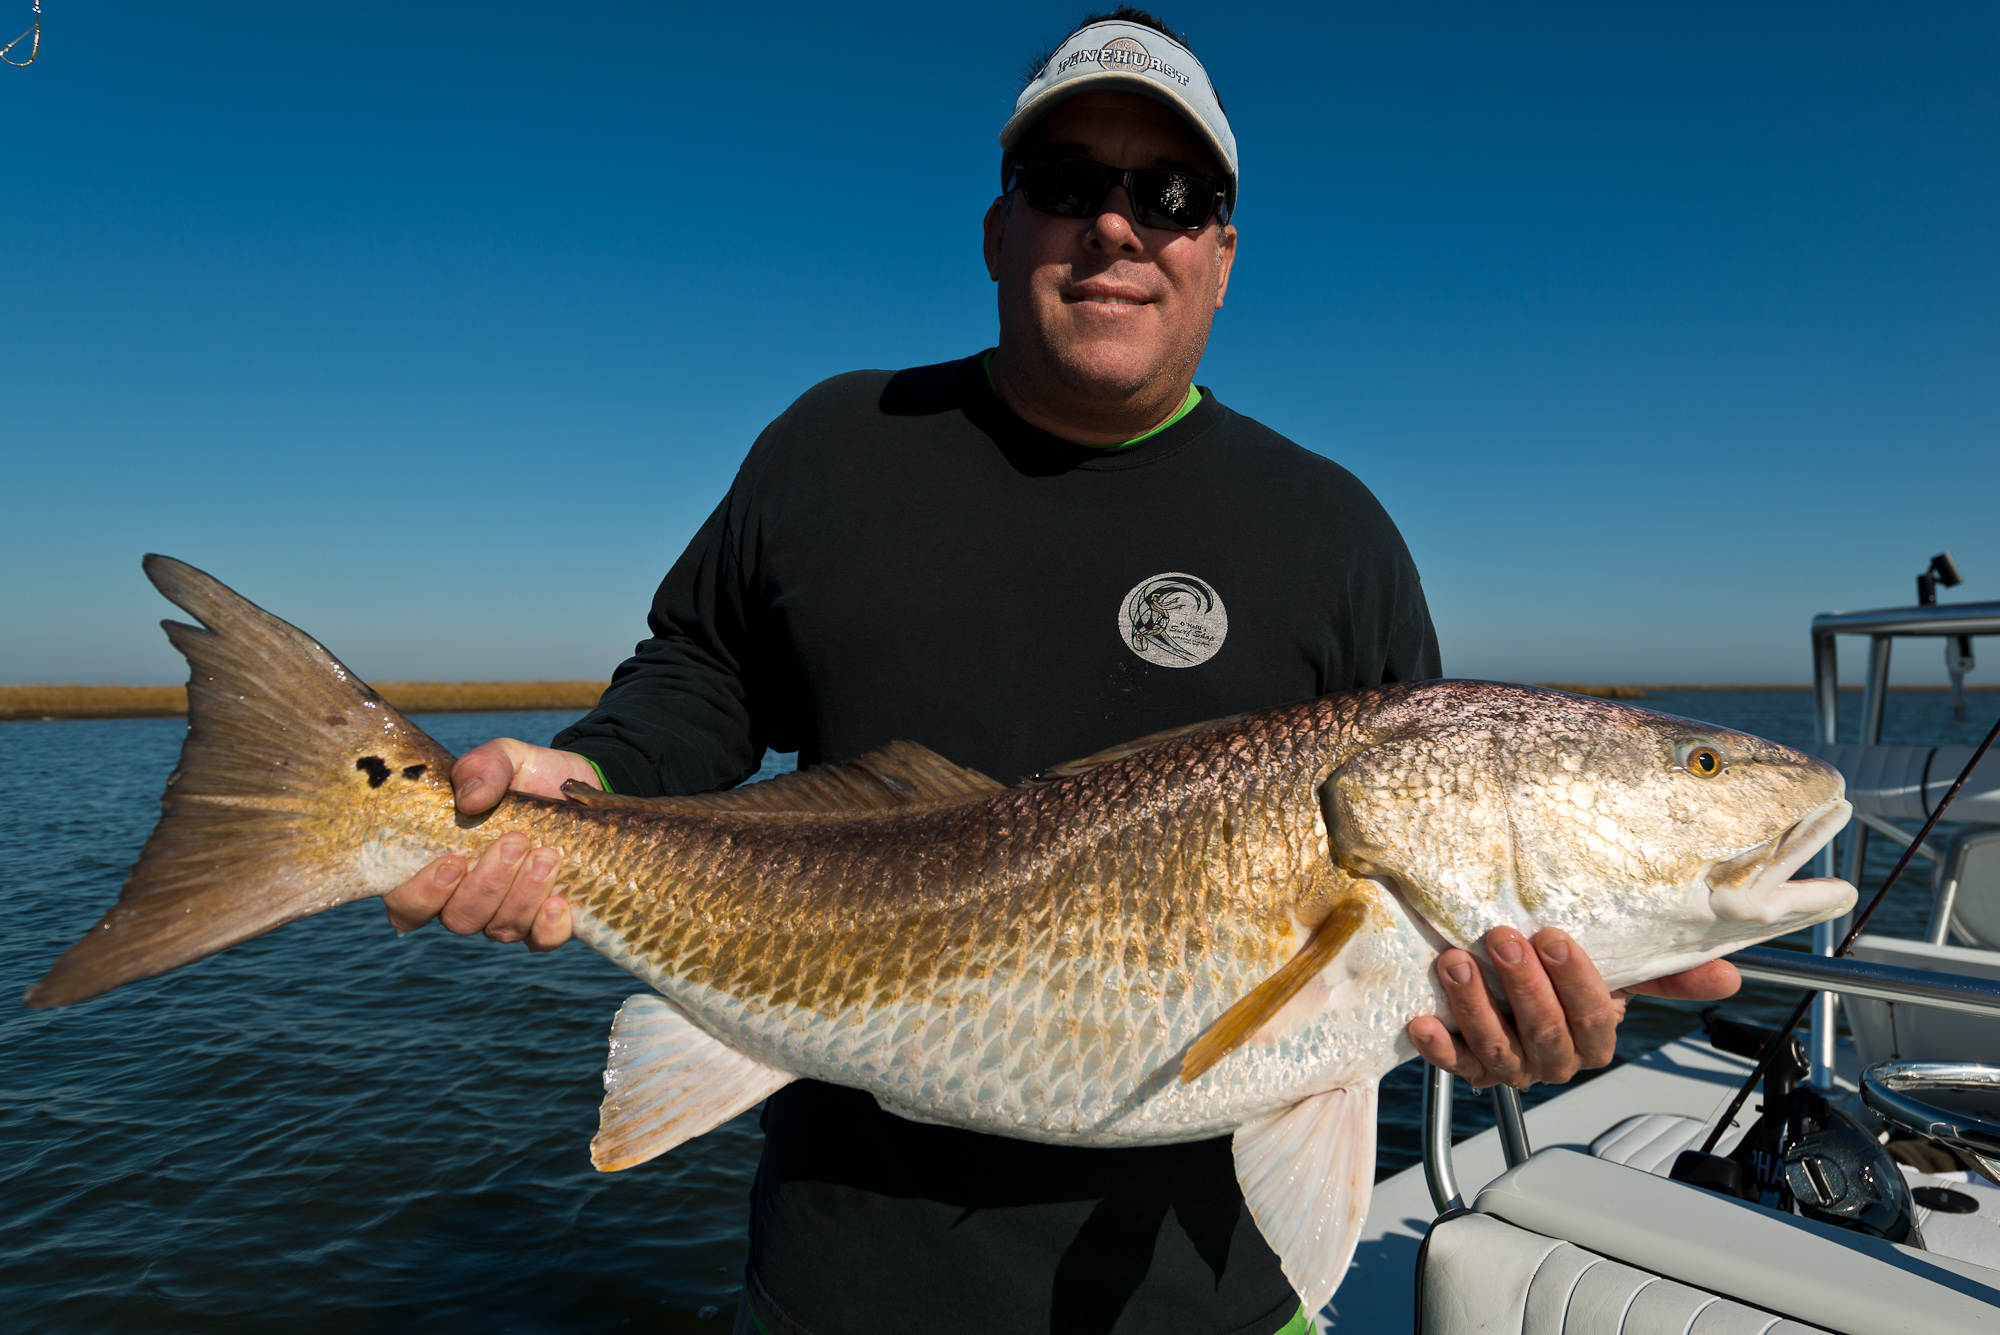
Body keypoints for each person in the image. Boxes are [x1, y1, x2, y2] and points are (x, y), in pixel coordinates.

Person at [384, 10, 1738, 1333]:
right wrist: (595, 772)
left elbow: (1403, 990)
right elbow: (702, 676)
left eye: (1170, 192)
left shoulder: (1334, 533)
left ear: (1220, 253)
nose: (1116, 223)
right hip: (840, 1281)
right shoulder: (837, 442)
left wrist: (1512, 1036)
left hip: (1214, 1306)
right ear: (997, 228)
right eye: (1065, 182)